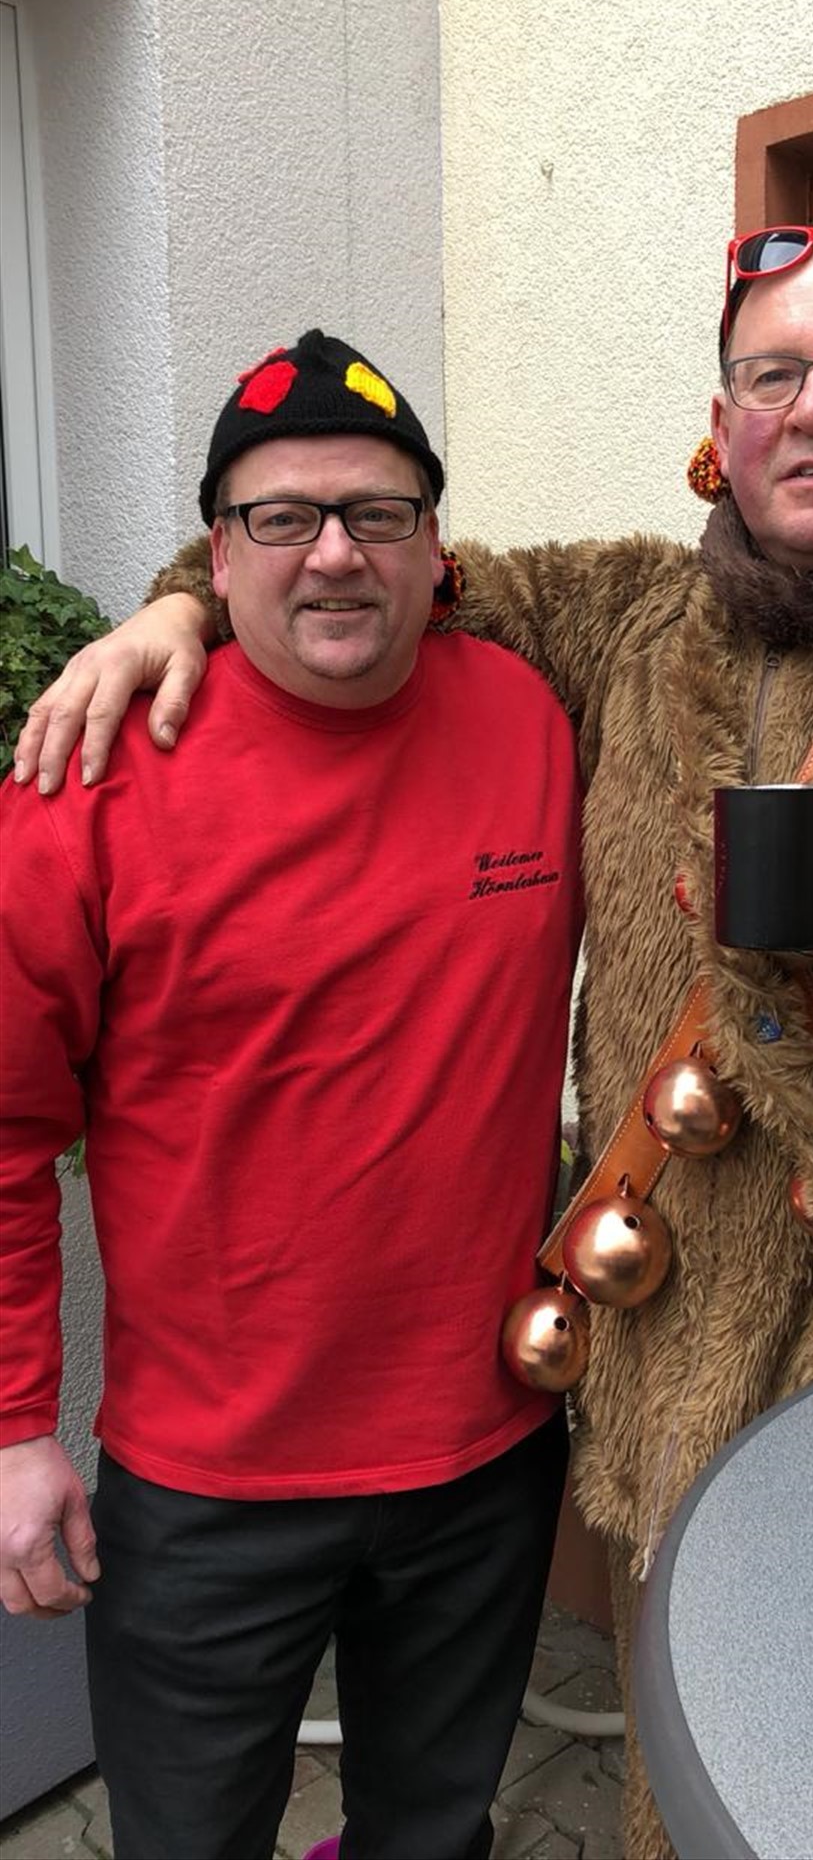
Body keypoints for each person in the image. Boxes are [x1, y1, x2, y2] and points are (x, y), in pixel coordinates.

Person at [12, 224, 813, 1860]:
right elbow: (349, 565)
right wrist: (162, 615)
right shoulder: (622, 623)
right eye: (773, 374)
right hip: (662, 1367)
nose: (812, 407)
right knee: (676, 1781)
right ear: (720, 424)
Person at [0, 329, 584, 1860]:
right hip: (208, 1486)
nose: (334, 553)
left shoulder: (533, 720)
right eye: (282, 517)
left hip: (486, 1453)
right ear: (216, 554)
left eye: (378, 513)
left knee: (434, 1833)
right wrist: (13, 1430)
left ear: (437, 548)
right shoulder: (91, 777)